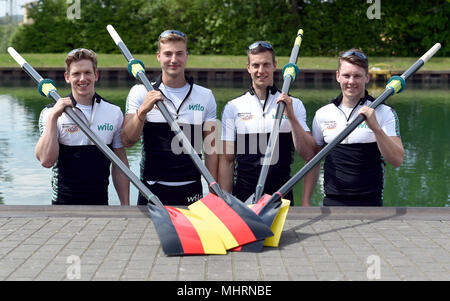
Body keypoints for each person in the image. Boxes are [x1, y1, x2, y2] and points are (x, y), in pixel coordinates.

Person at [121, 30, 218, 206]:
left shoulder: (205, 96)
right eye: (168, 54)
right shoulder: (141, 92)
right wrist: (143, 111)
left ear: (186, 56)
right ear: (158, 56)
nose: (174, 60)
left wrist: (214, 193)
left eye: (179, 54)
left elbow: (211, 150)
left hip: (192, 190)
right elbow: (127, 140)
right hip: (151, 190)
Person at [218, 41, 316, 205]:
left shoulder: (294, 104)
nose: (261, 71)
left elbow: (309, 154)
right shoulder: (233, 107)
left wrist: (291, 117)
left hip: (281, 197)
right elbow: (227, 160)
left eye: (266, 65)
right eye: (256, 65)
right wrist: (225, 202)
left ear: (274, 66)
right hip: (244, 198)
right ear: (248, 67)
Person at [304, 48, 404, 206]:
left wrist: (376, 128)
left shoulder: (384, 112)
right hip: (333, 201)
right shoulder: (323, 114)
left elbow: (397, 159)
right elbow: (313, 161)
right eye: (346, 75)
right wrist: (305, 202)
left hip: (370, 202)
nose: (351, 81)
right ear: (338, 76)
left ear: (367, 78)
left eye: (357, 76)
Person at [36, 48, 130, 205]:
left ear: (96, 75)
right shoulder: (49, 113)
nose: (82, 79)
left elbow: (120, 164)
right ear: (67, 77)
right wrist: (53, 117)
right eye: (76, 74)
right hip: (62, 204)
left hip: (100, 203)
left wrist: (125, 205)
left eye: (87, 72)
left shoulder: (114, 112)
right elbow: (46, 161)